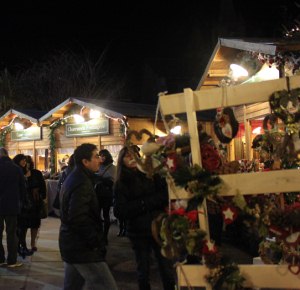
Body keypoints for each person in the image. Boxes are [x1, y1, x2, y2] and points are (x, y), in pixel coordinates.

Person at [114, 146, 176, 290]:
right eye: (127, 156)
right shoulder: (121, 182)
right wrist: (146, 203)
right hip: (138, 232)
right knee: (143, 269)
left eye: (135, 154)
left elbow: (164, 195)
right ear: (121, 161)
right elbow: (120, 210)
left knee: (166, 267)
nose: (132, 158)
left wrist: (142, 203)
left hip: (159, 227)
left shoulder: (152, 174)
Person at [59, 143, 118, 290]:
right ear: (85, 162)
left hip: (71, 244)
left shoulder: (77, 177)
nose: (99, 160)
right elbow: (78, 218)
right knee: (107, 286)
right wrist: (95, 241)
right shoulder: (82, 183)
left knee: (72, 286)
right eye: (96, 156)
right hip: (82, 248)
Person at [0, 148, 26, 268]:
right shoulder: (16, 169)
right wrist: (22, 202)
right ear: (7, 154)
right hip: (11, 205)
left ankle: (0, 259)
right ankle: (12, 260)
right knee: (11, 233)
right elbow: (22, 188)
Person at [24, 155, 47, 251]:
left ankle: (33, 243)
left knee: (34, 224)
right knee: (23, 225)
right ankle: (23, 243)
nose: (27, 164)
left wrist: (41, 195)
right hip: (24, 203)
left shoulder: (37, 173)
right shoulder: (20, 173)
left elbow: (42, 186)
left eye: (28, 162)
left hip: (35, 203)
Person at [95, 149, 116, 244]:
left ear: (108, 156)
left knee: (106, 215)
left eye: (104, 156)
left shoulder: (112, 167)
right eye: (100, 156)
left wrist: (99, 178)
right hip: (97, 194)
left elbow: (112, 182)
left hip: (106, 195)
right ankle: (99, 234)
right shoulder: (98, 166)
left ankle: (105, 236)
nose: (102, 157)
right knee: (97, 215)